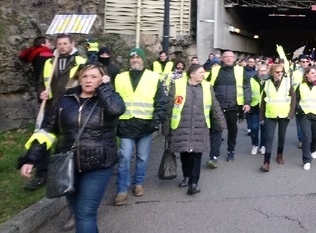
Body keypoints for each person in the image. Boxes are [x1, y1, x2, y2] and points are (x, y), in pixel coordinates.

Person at [19, 62, 125, 233]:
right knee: (78, 211)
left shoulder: (108, 99)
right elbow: (47, 131)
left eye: (94, 76)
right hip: (67, 165)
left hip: (98, 164)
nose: (88, 80)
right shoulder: (64, 100)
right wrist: (31, 158)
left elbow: (115, 110)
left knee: (85, 213)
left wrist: (105, 88)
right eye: (84, 76)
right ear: (79, 78)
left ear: (102, 79)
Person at [29, 34, 87, 191]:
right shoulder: (49, 62)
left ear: (72, 44)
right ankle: (41, 174)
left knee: (66, 141)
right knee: (44, 139)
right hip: (50, 107)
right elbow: (41, 83)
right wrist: (42, 93)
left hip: (71, 108)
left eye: (65, 43)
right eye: (59, 44)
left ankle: (64, 172)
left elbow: (88, 83)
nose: (62, 46)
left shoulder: (81, 62)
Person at [114, 48, 167, 205]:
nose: (135, 59)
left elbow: (161, 100)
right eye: (132, 57)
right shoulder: (119, 78)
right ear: (129, 60)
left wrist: (156, 119)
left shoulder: (153, 77)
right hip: (126, 123)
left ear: (143, 60)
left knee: (142, 157)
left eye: (138, 57)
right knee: (124, 156)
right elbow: (113, 99)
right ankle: (122, 189)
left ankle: (138, 184)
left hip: (146, 124)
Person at [168, 64, 226, 195]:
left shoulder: (207, 86)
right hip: (181, 126)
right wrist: (166, 129)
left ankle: (193, 183)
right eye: (200, 72)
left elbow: (215, 105)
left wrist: (221, 122)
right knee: (184, 153)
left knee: (196, 154)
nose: (203, 75)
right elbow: (169, 107)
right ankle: (187, 176)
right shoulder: (177, 85)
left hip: (200, 126)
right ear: (192, 74)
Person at [206, 50, 251, 166]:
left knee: (232, 130)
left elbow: (246, 87)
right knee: (216, 130)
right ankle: (213, 155)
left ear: (234, 58)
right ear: (222, 58)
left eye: (231, 57)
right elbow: (207, 86)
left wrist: (247, 102)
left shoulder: (240, 70)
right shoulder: (215, 70)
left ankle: (230, 150)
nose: (229, 58)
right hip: (218, 106)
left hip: (233, 106)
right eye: (226, 57)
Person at [259, 64, 296, 172]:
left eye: (281, 72)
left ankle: (279, 154)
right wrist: (261, 117)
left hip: (284, 114)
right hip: (270, 114)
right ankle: (266, 162)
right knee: (269, 137)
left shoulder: (287, 82)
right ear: (272, 73)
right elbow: (262, 102)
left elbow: (293, 99)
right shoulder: (267, 84)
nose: (280, 74)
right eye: (277, 72)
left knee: (281, 136)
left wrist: (291, 113)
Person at [296, 66, 316, 170]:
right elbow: (295, 100)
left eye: (315, 73)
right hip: (304, 115)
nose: (315, 75)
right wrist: (298, 108)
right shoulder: (301, 86)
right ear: (307, 74)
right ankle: (306, 160)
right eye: (312, 73)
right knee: (306, 137)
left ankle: (313, 149)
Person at [249, 63, 269, 155]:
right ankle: (255, 144)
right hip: (255, 106)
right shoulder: (252, 79)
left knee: (265, 128)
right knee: (254, 128)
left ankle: (263, 145)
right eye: (261, 71)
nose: (262, 72)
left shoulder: (270, 80)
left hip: (266, 107)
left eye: (264, 70)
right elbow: (248, 91)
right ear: (258, 71)